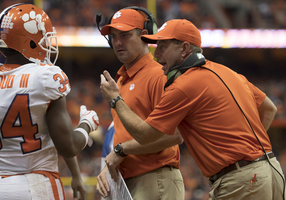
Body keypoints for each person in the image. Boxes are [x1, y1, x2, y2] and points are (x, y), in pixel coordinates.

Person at [100, 19, 286, 200]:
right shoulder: (228, 72)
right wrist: (250, 154)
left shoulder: (183, 85)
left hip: (241, 180)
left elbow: (144, 134)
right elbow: (269, 109)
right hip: (271, 171)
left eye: (163, 46)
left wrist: (115, 99)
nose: (157, 55)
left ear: (184, 49)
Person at [0, 4, 99, 200]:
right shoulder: (45, 78)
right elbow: (69, 146)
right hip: (37, 184)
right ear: (28, 41)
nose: (46, 43)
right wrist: (87, 124)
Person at [96, 8, 185, 200]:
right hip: (127, 182)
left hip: (155, 177)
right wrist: (110, 167)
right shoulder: (120, 81)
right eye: (113, 36)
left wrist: (122, 150)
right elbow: (124, 136)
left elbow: (176, 134)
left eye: (125, 35)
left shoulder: (158, 74)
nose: (118, 42)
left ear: (144, 36)